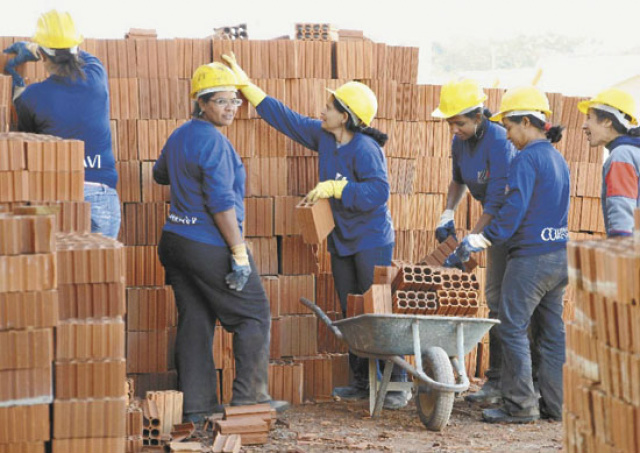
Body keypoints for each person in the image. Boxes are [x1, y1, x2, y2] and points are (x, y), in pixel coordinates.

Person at [221, 53, 410, 410]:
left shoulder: (366, 149)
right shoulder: (325, 138)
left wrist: (338, 189)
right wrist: (249, 87)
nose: (322, 110)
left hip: (371, 240)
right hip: (342, 240)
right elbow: (287, 120)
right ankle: (361, 380)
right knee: (351, 310)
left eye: (329, 106)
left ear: (346, 116)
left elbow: (379, 192)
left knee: (376, 309)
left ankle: (395, 383)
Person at [154, 62, 287, 424]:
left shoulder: (181, 134)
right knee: (253, 314)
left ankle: (197, 410)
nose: (230, 108)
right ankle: (248, 402)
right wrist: (239, 252)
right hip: (206, 243)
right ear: (201, 102)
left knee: (196, 320)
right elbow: (221, 204)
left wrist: (185, 176)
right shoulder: (214, 142)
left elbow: (159, 173)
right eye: (221, 101)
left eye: (235, 102)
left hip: (175, 241)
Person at [450, 86, 570, 423]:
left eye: (511, 127)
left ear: (528, 123)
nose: (509, 136)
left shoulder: (526, 159)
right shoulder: (557, 158)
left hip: (530, 259)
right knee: (550, 333)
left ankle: (519, 405)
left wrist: (483, 239)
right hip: (559, 257)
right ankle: (555, 405)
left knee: (512, 327)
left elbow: (512, 209)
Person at [434, 79, 516, 404]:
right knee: (495, 297)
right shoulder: (460, 142)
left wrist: (473, 239)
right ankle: (495, 382)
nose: (455, 129)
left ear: (479, 116)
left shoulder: (498, 139)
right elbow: (458, 181)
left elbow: (496, 203)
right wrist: (447, 212)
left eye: (460, 123)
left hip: (512, 226)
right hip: (493, 227)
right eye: (451, 123)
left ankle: (509, 385)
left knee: (508, 302)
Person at [5, 10, 120, 238]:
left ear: (42, 56)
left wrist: (18, 88)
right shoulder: (97, 76)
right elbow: (75, 53)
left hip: (58, 195)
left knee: (59, 270)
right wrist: (39, 48)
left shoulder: (31, 97)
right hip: (101, 195)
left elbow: (29, 141)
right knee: (101, 272)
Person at [579, 86, 640, 237]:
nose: (584, 125)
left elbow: (623, 215)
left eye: (589, 118)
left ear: (607, 121)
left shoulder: (622, 155)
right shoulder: (634, 152)